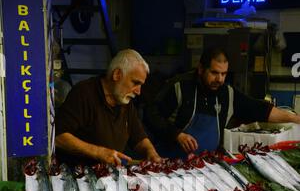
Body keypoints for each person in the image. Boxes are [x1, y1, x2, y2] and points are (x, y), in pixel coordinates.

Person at [145, 47, 300, 157]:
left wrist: (294, 118)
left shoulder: (227, 94)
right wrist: (176, 134)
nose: (219, 79)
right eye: (214, 73)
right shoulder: (179, 87)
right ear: (200, 69)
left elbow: (259, 109)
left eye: (224, 74)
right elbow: (151, 115)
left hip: (206, 166)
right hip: (170, 163)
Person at [55, 49, 161, 166]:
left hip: (109, 177)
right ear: (117, 75)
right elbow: (58, 137)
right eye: (135, 83)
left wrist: (151, 152)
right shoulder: (84, 93)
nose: (138, 91)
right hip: (79, 177)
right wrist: (98, 152)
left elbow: (138, 137)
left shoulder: (125, 102)